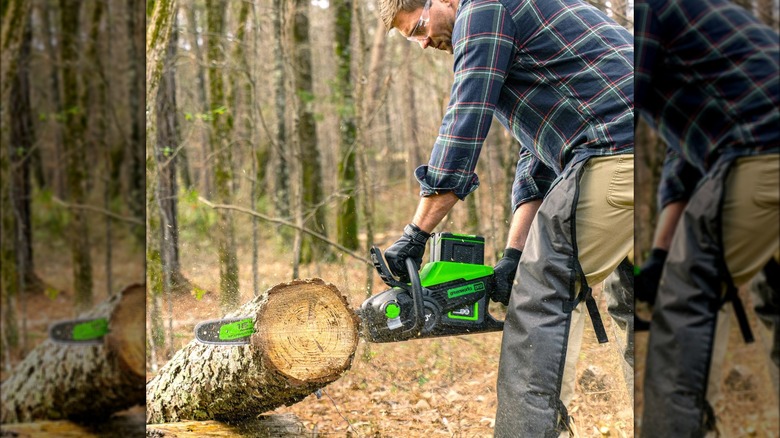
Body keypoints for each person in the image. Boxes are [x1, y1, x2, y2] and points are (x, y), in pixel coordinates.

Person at [376, 0, 634, 435]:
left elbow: (465, 119)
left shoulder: (483, 10)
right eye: (411, 38)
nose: (422, 43)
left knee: (539, 295)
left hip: (618, 147)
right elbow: (537, 158)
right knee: (636, 297)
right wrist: (514, 254)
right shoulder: (521, 19)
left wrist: (415, 233)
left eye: (419, 26)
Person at [634, 0, 779, 435]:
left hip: (760, 146)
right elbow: (688, 160)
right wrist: (660, 253)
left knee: (683, 302)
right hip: (754, 143)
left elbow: (623, 106)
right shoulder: (710, 39)